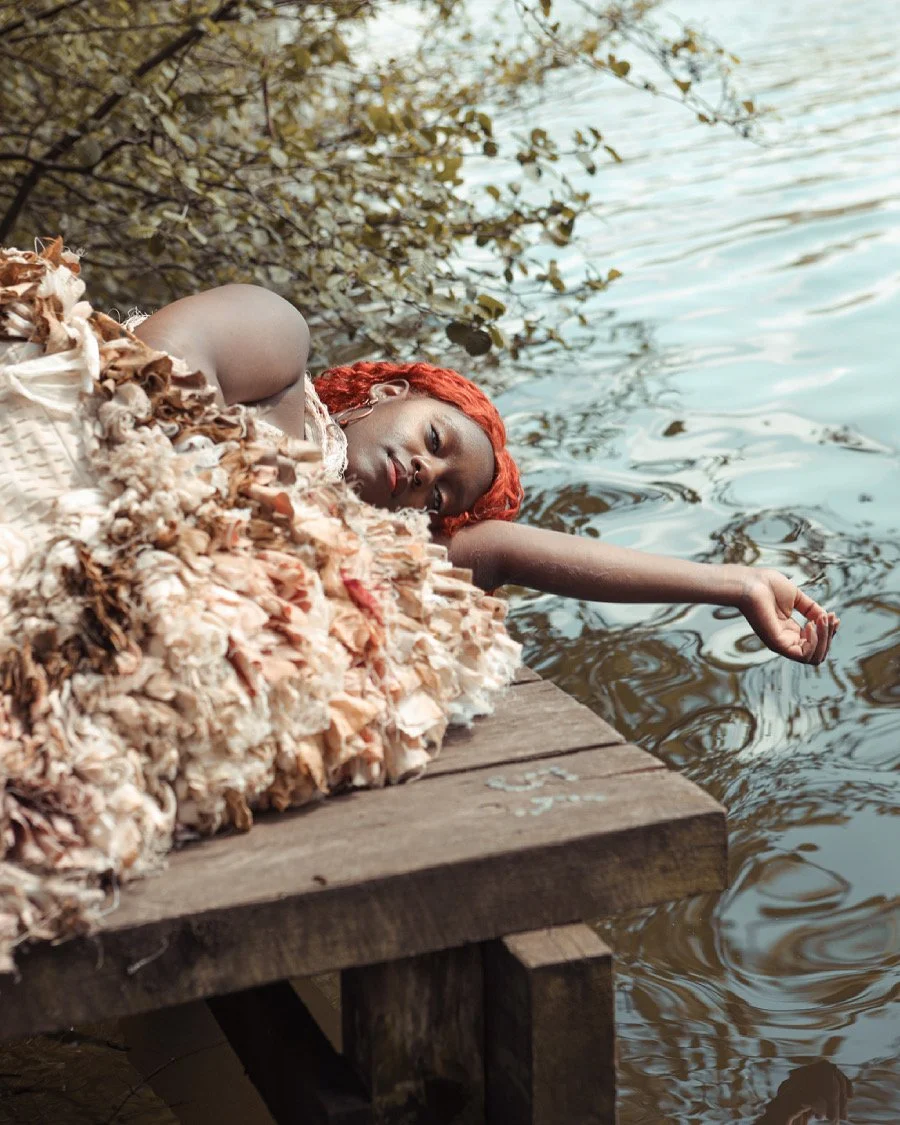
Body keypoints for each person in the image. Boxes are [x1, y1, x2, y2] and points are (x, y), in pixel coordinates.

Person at [134, 283, 839, 666]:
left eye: (439, 492)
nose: (423, 473)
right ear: (388, 394)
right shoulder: (281, 355)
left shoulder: (364, 547)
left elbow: (506, 551)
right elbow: (147, 369)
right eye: (434, 438)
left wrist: (740, 584)